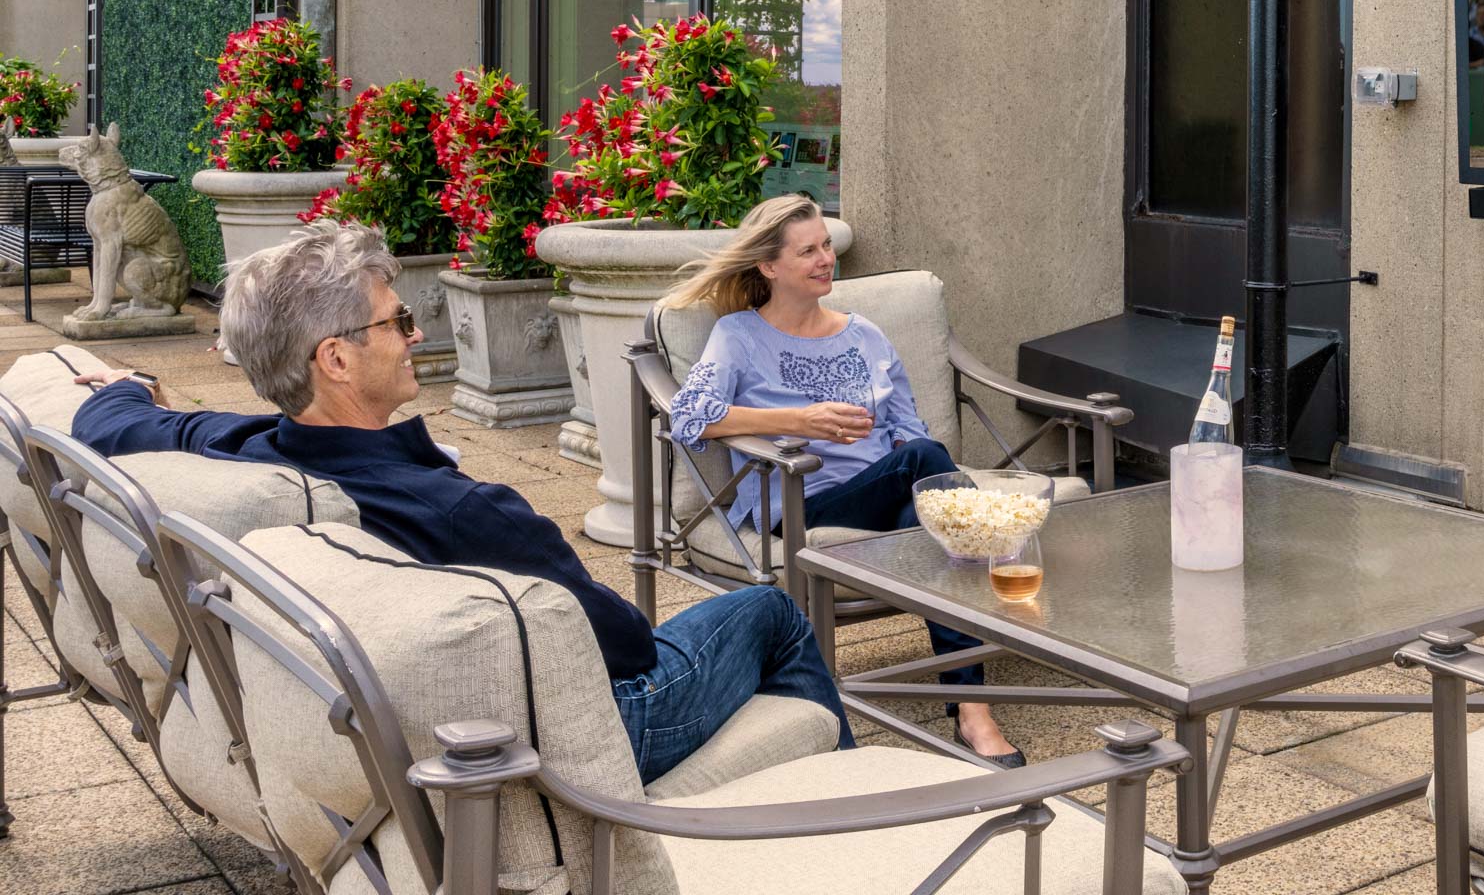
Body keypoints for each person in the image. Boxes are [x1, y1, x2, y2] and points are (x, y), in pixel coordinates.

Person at [67, 220, 854, 783]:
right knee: (771, 611)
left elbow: (112, 419)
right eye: (398, 321)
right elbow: (627, 650)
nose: (414, 335)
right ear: (337, 358)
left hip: (412, 728)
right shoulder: (466, 513)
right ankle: (848, 808)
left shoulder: (248, 456)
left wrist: (130, 385)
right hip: (582, 735)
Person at [662, 193, 1027, 768]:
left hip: (886, 494)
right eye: (807, 251)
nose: (825, 259)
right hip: (802, 502)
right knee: (929, 473)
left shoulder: (866, 335)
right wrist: (797, 421)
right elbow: (688, 418)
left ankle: (971, 709)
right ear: (768, 266)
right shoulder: (739, 335)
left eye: (826, 245)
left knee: (927, 514)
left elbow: (908, 430)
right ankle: (995, 566)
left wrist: (918, 467)